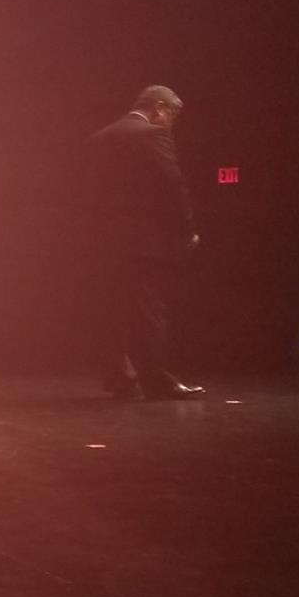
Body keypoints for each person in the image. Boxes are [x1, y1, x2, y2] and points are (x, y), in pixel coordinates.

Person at [88, 85, 204, 400]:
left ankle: (120, 377)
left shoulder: (100, 138)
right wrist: (186, 230)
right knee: (148, 310)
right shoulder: (153, 135)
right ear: (158, 108)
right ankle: (156, 380)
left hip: (103, 240)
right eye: (172, 115)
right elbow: (173, 185)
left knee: (111, 309)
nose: (171, 123)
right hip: (143, 242)